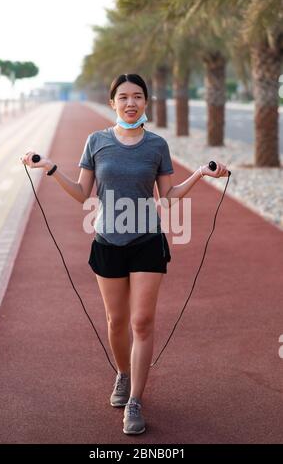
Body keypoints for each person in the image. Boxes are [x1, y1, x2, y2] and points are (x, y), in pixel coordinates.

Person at [21, 73, 229, 435]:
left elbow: (168, 195)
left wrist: (199, 173)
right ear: (112, 102)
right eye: (123, 97)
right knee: (116, 322)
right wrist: (50, 168)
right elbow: (82, 192)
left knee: (141, 323)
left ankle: (135, 400)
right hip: (107, 243)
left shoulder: (156, 145)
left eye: (137, 97)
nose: (130, 103)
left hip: (147, 242)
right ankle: (122, 373)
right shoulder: (96, 141)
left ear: (146, 102)